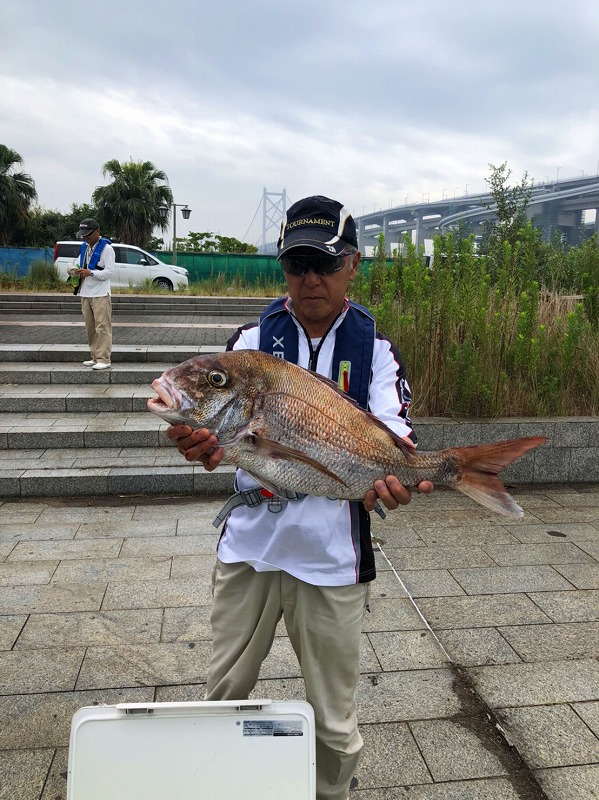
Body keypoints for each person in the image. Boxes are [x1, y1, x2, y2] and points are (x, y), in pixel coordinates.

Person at [166, 195, 433, 800]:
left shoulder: (374, 348)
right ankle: (221, 788)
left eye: (325, 263)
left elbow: (397, 436)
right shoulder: (252, 339)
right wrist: (201, 446)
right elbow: (220, 438)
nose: (310, 279)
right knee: (222, 697)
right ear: (283, 269)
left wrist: (397, 479)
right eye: (296, 265)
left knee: (334, 724)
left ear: (353, 265)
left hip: (332, 557)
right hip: (251, 550)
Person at [69, 218, 115, 370]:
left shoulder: (107, 249)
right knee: (90, 327)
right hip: (85, 293)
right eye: (83, 235)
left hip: (101, 293)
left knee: (102, 327)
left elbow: (109, 272)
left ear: (97, 232)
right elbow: (76, 263)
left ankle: (104, 359)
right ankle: (95, 357)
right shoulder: (85, 248)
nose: (85, 238)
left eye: (88, 235)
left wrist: (91, 273)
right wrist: (72, 270)